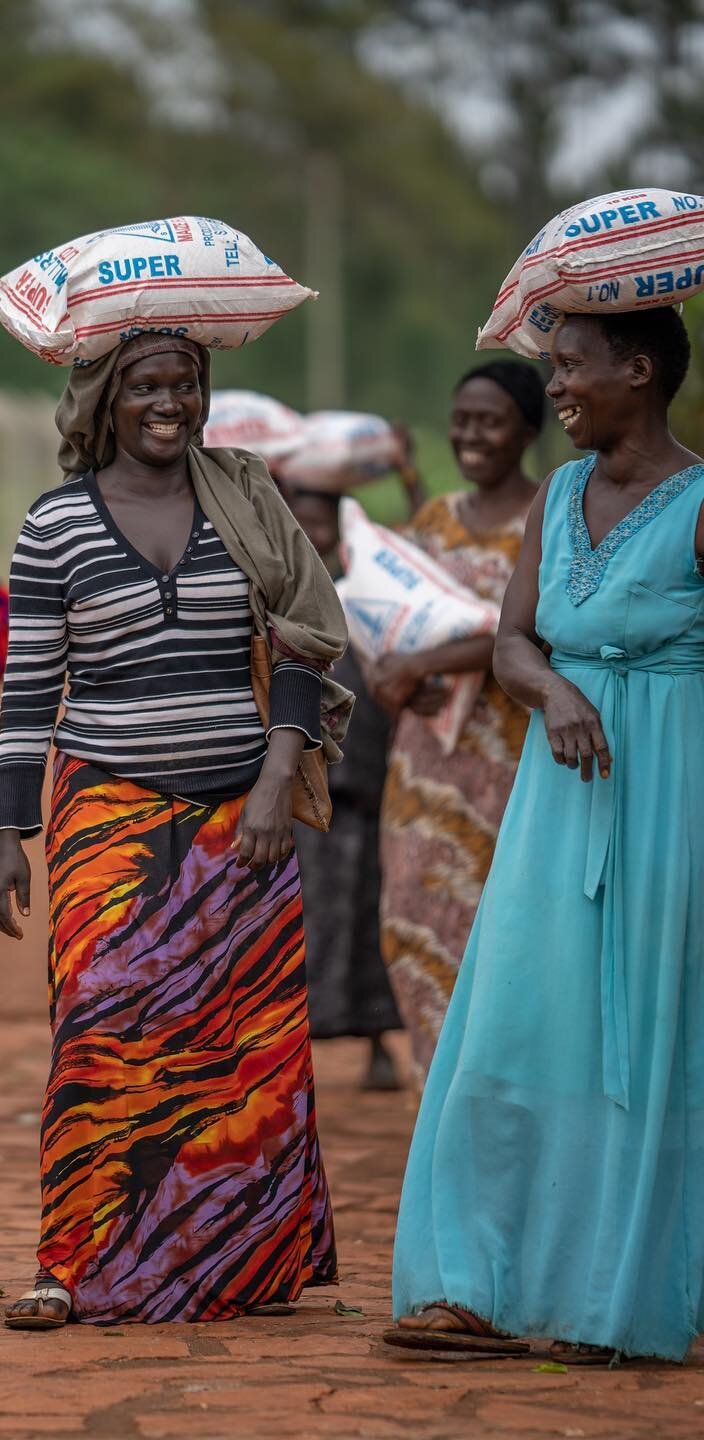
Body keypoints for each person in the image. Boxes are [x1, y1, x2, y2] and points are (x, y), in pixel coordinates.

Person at [0, 332, 348, 1329]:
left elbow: (306, 640)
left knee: (245, 1044)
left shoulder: (245, 495)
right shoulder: (54, 524)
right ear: (107, 398)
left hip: (245, 811)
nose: (170, 403)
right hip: (107, 803)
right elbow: (27, 691)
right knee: (101, 1029)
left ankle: (241, 1259)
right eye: (148, 385)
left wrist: (279, 773)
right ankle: (71, 1263)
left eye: (185, 385)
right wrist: (6, 834)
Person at [388, 307, 704, 1364]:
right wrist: (557, 694)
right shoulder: (560, 493)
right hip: (559, 799)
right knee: (518, 1019)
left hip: (670, 797)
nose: (556, 387)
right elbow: (515, 639)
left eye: (571, 367)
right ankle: (473, 1283)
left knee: (647, 1039)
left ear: (642, 370)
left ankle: (623, 1297)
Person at [369, 361, 545, 1084]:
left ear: (529, 431)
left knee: (499, 933)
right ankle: (433, 1090)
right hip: (425, 760)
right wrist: (391, 675)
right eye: (462, 418)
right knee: (410, 914)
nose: (472, 434)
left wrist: (425, 660)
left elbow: (534, 629)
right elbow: (391, 613)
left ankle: (493, 1098)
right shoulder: (435, 519)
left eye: (491, 420)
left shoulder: (549, 517)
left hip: (511, 761)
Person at [285, 485, 401, 1090]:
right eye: (300, 520)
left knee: (371, 907)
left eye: (322, 521)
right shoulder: (279, 584)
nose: (313, 532)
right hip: (305, 777)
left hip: (366, 764)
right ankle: (293, 1056)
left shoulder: (371, 586)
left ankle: (379, 1041)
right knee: (301, 918)